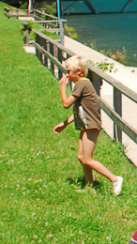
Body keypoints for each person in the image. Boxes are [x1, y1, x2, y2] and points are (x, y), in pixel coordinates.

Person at [53, 55, 123, 195]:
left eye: (69, 71)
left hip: (91, 126)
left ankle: (115, 179)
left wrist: (62, 87)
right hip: (86, 124)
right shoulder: (84, 84)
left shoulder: (82, 84)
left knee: (87, 159)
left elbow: (66, 104)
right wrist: (65, 124)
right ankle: (90, 186)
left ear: (78, 71)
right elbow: (80, 110)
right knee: (81, 156)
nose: (67, 74)